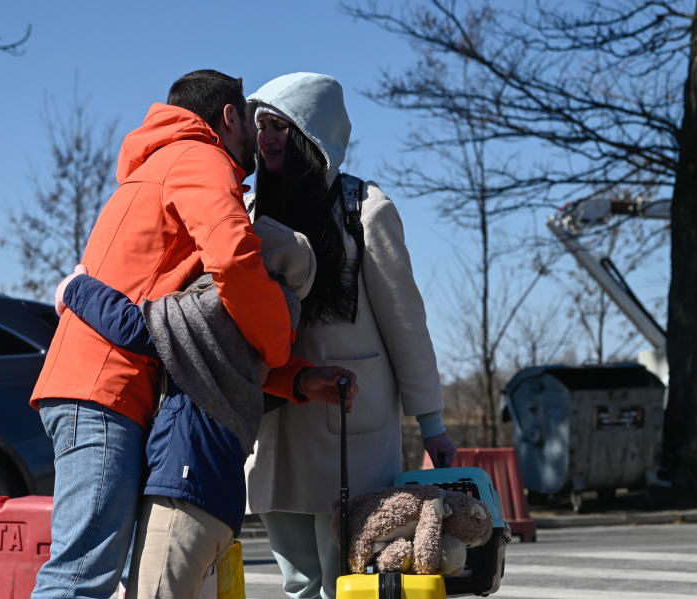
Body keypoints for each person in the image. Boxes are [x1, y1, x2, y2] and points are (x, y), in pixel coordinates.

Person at [30, 70, 300, 599]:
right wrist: (278, 339)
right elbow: (235, 260)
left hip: (94, 385)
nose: (254, 137)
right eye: (250, 120)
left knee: (85, 572)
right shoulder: (200, 159)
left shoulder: (154, 168)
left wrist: (297, 379)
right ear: (228, 116)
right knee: (81, 577)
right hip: (108, 389)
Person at [53, 216, 358, 599]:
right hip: (216, 506)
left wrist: (76, 288)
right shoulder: (267, 332)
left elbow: (137, 328)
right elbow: (258, 382)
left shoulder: (224, 311)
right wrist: (301, 380)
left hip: (185, 495)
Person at [243, 73, 458, 599]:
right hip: (275, 425)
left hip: (348, 427)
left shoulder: (367, 210)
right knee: (298, 583)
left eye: (281, 127)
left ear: (314, 135)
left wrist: (432, 423)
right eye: (261, 126)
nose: (267, 138)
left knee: (351, 574)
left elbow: (406, 322)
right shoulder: (246, 213)